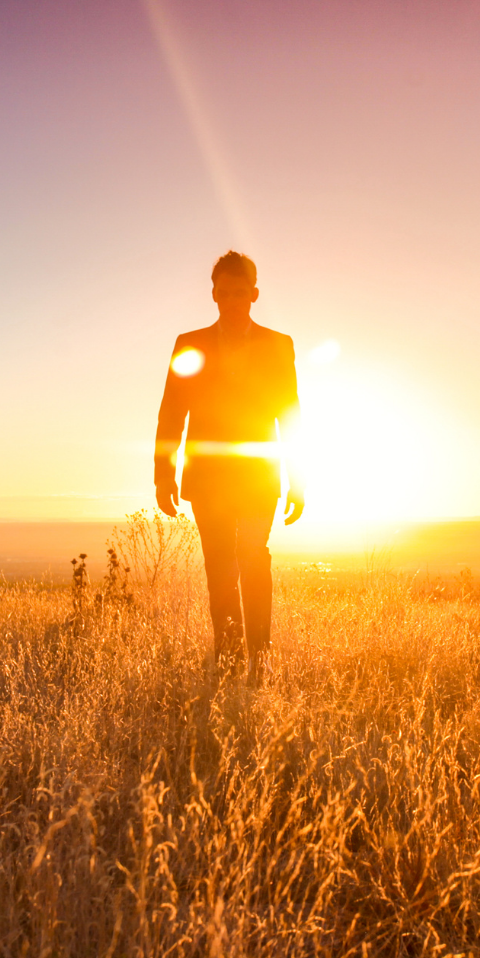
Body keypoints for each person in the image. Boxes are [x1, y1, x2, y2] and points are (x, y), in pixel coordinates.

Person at [155, 250, 304, 677]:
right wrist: (163, 474)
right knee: (220, 563)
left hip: (258, 476)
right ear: (214, 295)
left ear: (254, 294)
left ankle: (261, 659)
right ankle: (229, 657)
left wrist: (299, 481)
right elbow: (171, 413)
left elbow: (290, 413)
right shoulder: (190, 345)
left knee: (254, 556)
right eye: (226, 293)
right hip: (208, 478)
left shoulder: (279, 345)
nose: (234, 300)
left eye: (242, 293)